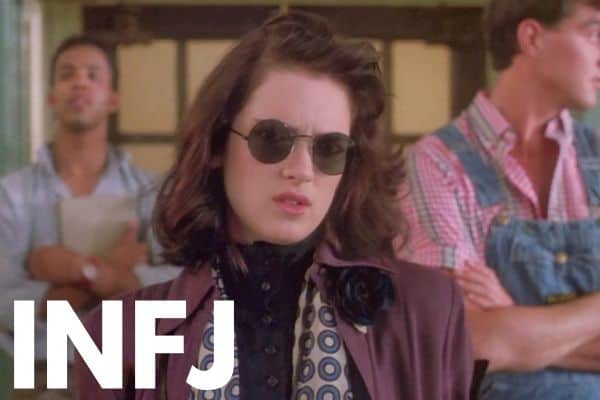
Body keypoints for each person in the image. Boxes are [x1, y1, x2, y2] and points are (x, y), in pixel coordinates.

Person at [76, 11, 474, 400]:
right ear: (218, 144)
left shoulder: (429, 309)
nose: (301, 170)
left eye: (329, 148)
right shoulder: (117, 335)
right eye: (272, 138)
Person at [397, 0, 600, 398]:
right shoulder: (435, 164)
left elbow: (499, 341)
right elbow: (467, 341)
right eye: (593, 35)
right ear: (532, 37)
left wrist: (511, 320)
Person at [0, 35, 181, 397]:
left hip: (132, 375)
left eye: (93, 75)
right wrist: (113, 277)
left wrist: (80, 272)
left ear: (113, 99)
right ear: (51, 97)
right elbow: (3, 299)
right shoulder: (11, 194)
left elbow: (177, 289)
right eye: (67, 74)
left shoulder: (153, 193)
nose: (80, 82)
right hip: (42, 374)